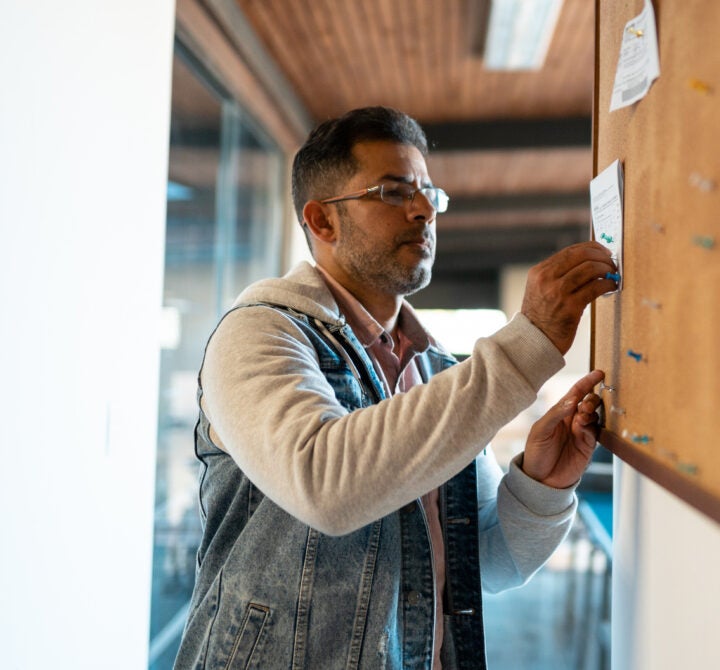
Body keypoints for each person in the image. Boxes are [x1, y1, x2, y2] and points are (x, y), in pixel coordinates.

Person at [173, 106, 618, 669]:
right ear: (322, 221)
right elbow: (325, 487)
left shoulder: (433, 370)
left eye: (430, 192)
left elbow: (488, 563)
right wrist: (525, 345)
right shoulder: (259, 332)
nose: (425, 209)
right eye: (393, 191)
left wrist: (542, 485)